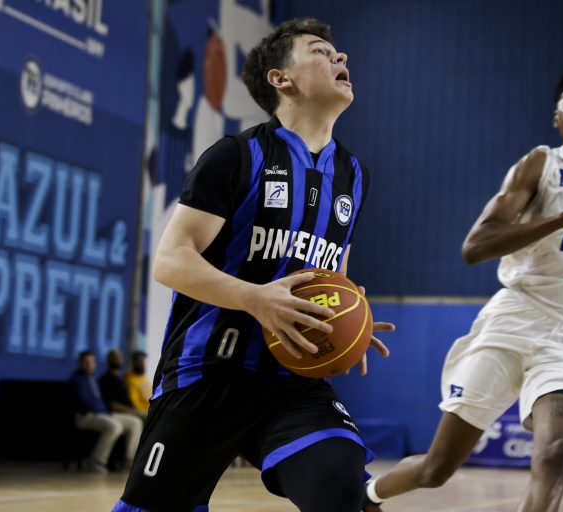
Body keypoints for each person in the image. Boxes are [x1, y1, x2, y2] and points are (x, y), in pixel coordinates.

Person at [113, 18, 393, 512]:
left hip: (292, 381)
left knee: (343, 490)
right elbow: (171, 260)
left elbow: (333, 275)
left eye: (337, 52)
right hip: (207, 374)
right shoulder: (236, 155)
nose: (340, 57)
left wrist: (349, 316)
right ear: (281, 79)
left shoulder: (353, 175)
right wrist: (256, 299)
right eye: (319, 51)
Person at [362, 70, 563, 512]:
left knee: (555, 453)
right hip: (514, 322)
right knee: (437, 469)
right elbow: (475, 247)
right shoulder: (540, 164)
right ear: (557, 118)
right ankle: (367, 497)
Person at [68, 351, 143, 473]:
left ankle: (129, 461)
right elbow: (85, 403)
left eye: (92, 362)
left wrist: (105, 413)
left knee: (135, 422)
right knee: (114, 426)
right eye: (86, 362)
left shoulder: (92, 379)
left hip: (103, 413)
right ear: (80, 363)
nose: (89, 364)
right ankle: (96, 461)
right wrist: (104, 413)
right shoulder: (77, 380)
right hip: (85, 416)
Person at [99, 349, 146, 421]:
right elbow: (112, 404)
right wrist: (133, 411)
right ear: (109, 360)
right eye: (115, 357)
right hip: (120, 412)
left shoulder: (121, 379)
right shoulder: (106, 380)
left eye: (120, 357)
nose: (118, 359)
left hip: (131, 410)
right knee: (147, 417)